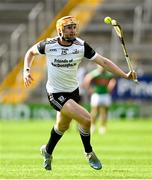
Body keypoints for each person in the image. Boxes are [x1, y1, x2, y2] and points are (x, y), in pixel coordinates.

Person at [23, 16, 137, 171]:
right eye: (68, 28)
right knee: (86, 119)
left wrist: (124, 75)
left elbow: (103, 62)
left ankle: (47, 151)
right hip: (55, 93)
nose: (72, 31)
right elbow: (30, 52)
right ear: (60, 30)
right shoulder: (48, 44)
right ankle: (89, 152)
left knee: (62, 126)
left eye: (74, 27)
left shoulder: (81, 46)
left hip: (73, 92)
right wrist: (26, 70)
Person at [83, 66, 116, 134]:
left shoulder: (108, 74)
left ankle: (102, 127)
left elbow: (113, 81)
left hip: (105, 94)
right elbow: (87, 79)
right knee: (94, 111)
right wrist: (89, 89)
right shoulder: (95, 73)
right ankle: (93, 126)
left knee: (104, 111)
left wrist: (110, 86)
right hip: (97, 94)